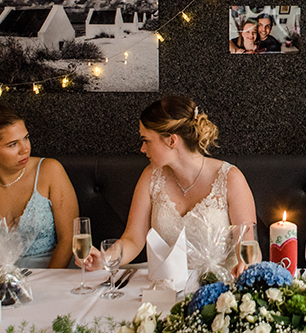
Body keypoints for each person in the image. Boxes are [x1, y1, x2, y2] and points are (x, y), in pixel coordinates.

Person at [86, 95, 257, 272]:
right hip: (164, 285)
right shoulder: (151, 176)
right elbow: (133, 239)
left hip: (217, 289)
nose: (142, 149)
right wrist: (106, 259)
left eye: (146, 141)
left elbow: (247, 245)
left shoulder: (230, 178)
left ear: (171, 140)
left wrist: (247, 265)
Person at [0, 100, 80, 269]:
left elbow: (69, 239)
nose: (25, 149)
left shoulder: (50, 171)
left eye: (26, 138)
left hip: (54, 272)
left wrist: (46, 281)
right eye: (12, 144)